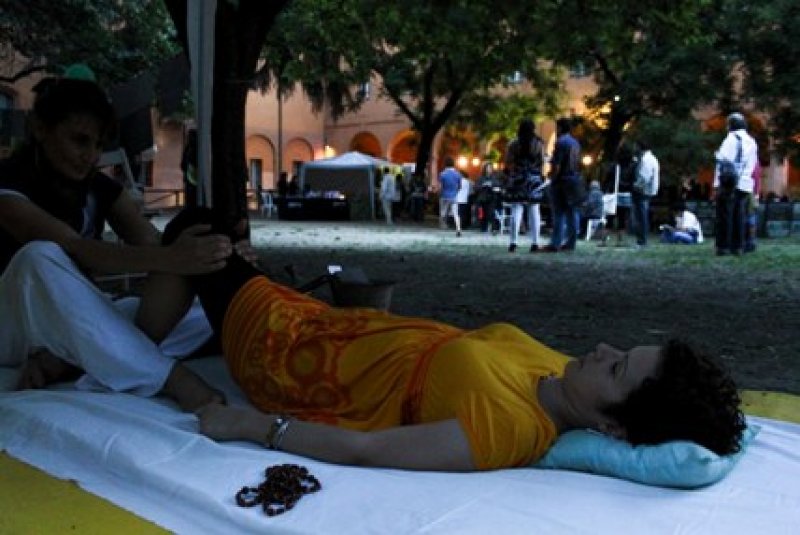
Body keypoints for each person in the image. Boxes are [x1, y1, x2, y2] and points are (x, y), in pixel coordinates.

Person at [147, 207, 746, 472]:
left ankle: (128, 350)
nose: (604, 352)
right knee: (216, 236)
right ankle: (132, 339)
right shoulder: (563, 373)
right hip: (328, 324)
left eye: (617, 370)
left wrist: (251, 426)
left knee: (196, 233)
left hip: (289, 358)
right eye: (622, 350)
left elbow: (367, 451)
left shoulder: (512, 429)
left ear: (612, 428)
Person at [0, 74, 253, 412]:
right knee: (39, 256)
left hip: (73, 320)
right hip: (13, 323)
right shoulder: (7, 185)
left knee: (200, 314)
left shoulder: (99, 188)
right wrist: (173, 257)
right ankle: (170, 377)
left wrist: (217, 258)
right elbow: (75, 247)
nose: (90, 156)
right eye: (79, 141)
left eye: (98, 145)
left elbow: (154, 246)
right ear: (40, 128)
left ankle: (71, 359)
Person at [713, 112, 757, 256]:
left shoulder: (731, 139)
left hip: (729, 183)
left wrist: (716, 183)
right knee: (739, 216)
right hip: (745, 183)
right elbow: (752, 164)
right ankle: (738, 246)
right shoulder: (751, 141)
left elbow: (724, 161)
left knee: (725, 215)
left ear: (731, 125)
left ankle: (723, 246)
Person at [504, 118, 545, 253]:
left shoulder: (513, 144)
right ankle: (535, 242)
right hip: (534, 178)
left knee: (516, 210)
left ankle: (513, 242)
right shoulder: (538, 143)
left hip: (518, 178)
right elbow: (542, 161)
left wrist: (511, 173)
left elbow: (508, 161)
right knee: (534, 211)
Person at [544, 118, 582, 252]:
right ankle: (571, 242)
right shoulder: (576, 143)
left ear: (560, 127)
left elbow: (557, 164)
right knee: (572, 212)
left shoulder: (560, 142)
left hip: (561, 181)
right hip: (574, 179)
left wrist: (552, 176)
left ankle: (556, 242)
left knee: (559, 213)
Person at [630, 139, 659, 248]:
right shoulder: (650, 158)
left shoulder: (646, 160)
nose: (634, 148)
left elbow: (644, 176)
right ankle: (642, 239)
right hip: (646, 190)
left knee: (641, 216)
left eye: (636, 146)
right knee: (642, 215)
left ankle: (642, 240)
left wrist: (636, 185)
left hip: (643, 191)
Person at [438, 156, 462, 237]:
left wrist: (439, 193)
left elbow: (440, 187)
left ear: (445, 164)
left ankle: (443, 225)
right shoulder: (458, 174)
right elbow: (460, 186)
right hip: (454, 196)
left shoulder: (442, 174)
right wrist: (455, 192)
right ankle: (458, 228)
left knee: (443, 212)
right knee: (456, 213)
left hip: (444, 196)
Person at [474, 163, 501, 234]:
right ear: (485, 169)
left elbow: (498, 187)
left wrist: (492, 186)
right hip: (482, 198)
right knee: (483, 214)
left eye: (490, 168)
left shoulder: (494, 178)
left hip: (492, 198)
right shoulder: (481, 178)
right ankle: (483, 227)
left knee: (491, 213)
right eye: (487, 168)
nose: (489, 170)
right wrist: (483, 185)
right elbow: (476, 187)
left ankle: (494, 228)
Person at [180, 128, 198, 208]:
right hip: (191, 177)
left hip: (191, 177)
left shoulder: (189, 148)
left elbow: (183, 164)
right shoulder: (191, 148)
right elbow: (183, 164)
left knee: (190, 197)